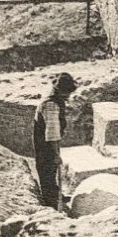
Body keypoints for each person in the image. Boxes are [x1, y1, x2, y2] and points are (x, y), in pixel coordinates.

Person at [33, 72, 78, 210]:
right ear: (61, 91)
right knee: (47, 168)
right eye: (67, 93)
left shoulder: (54, 96)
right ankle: (51, 203)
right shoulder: (51, 105)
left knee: (51, 169)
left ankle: (56, 194)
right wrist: (56, 154)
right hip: (45, 142)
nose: (68, 96)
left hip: (46, 139)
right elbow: (52, 134)